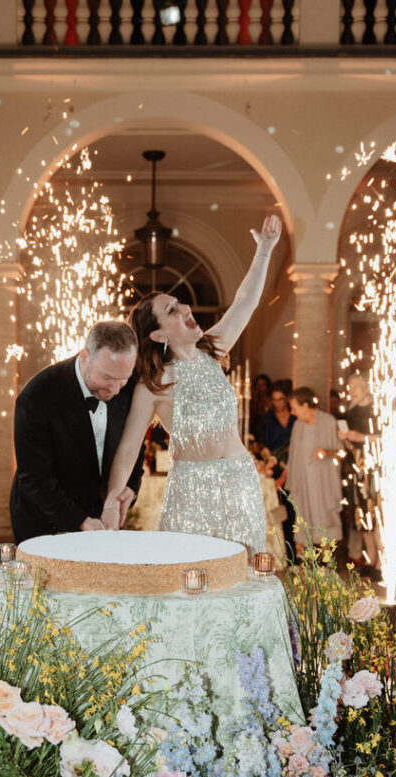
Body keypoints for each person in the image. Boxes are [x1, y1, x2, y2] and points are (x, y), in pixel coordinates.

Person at [101, 215, 282, 556]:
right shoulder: (153, 386)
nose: (185, 307)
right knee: (189, 574)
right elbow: (127, 452)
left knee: (241, 573)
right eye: (172, 310)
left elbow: (245, 302)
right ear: (158, 335)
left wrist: (264, 250)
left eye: (180, 302)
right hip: (191, 492)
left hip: (240, 483)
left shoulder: (213, 351)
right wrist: (112, 501)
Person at [10, 320, 144, 543]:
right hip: (46, 521)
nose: (115, 389)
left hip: (104, 520)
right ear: (84, 357)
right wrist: (81, 521)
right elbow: (35, 478)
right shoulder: (36, 397)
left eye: (123, 379)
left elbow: (135, 446)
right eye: (108, 378)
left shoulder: (129, 389)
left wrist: (130, 488)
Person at [286, 387, 343, 554]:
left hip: (323, 482)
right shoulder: (297, 425)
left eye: (294, 408)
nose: (292, 412)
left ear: (305, 405)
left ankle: (327, 561)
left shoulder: (329, 421)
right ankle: (302, 561)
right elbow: (293, 456)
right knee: (302, 519)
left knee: (324, 520)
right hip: (303, 482)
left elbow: (341, 452)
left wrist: (326, 452)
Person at [338, 373, 380, 576]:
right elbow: (350, 445)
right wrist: (345, 439)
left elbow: (389, 437)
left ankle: (382, 562)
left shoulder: (379, 408)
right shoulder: (350, 412)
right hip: (358, 466)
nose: (351, 390)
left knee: (377, 512)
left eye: (355, 385)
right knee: (362, 512)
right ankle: (371, 558)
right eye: (349, 386)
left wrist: (362, 437)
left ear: (366, 386)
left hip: (378, 465)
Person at [262, 381, 296, 558]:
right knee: (282, 509)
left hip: (296, 466)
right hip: (276, 466)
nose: (278, 403)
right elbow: (264, 444)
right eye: (274, 400)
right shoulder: (268, 419)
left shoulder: (295, 417)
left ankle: (298, 551)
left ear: (286, 399)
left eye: (281, 399)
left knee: (296, 508)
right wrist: (268, 457)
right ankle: (286, 551)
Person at [250, 373, 272, 442]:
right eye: (258, 385)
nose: (260, 388)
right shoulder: (252, 400)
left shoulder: (270, 401)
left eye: (263, 385)